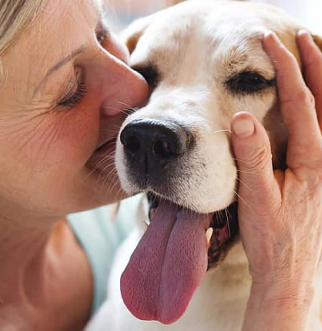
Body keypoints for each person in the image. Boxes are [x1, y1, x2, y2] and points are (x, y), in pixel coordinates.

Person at [0, 1, 322, 330]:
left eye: (249, 80)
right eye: (68, 90)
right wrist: (283, 296)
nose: (135, 95)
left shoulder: (109, 215)